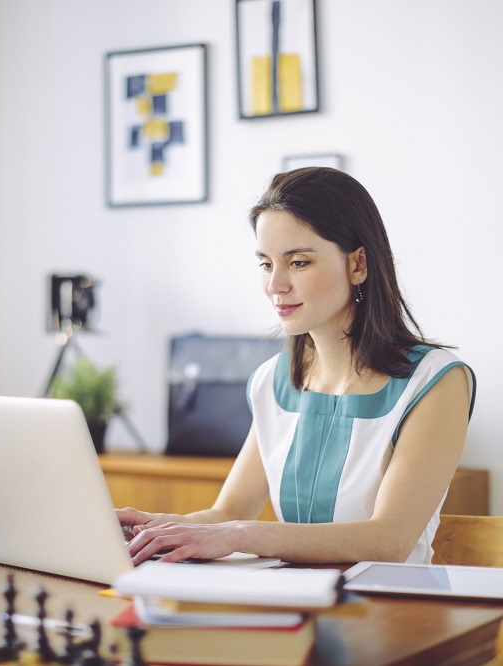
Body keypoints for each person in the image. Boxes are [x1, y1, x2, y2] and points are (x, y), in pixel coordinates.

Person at [118, 167, 476, 565]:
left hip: (393, 614)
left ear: (358, 265)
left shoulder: (435, 382)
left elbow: (388, 540)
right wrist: (153, 529)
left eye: (299, 263)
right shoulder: (272, 381)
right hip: (293, 609)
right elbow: (229, 514)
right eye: (266, 264)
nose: (275, 285)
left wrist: (241, 535)